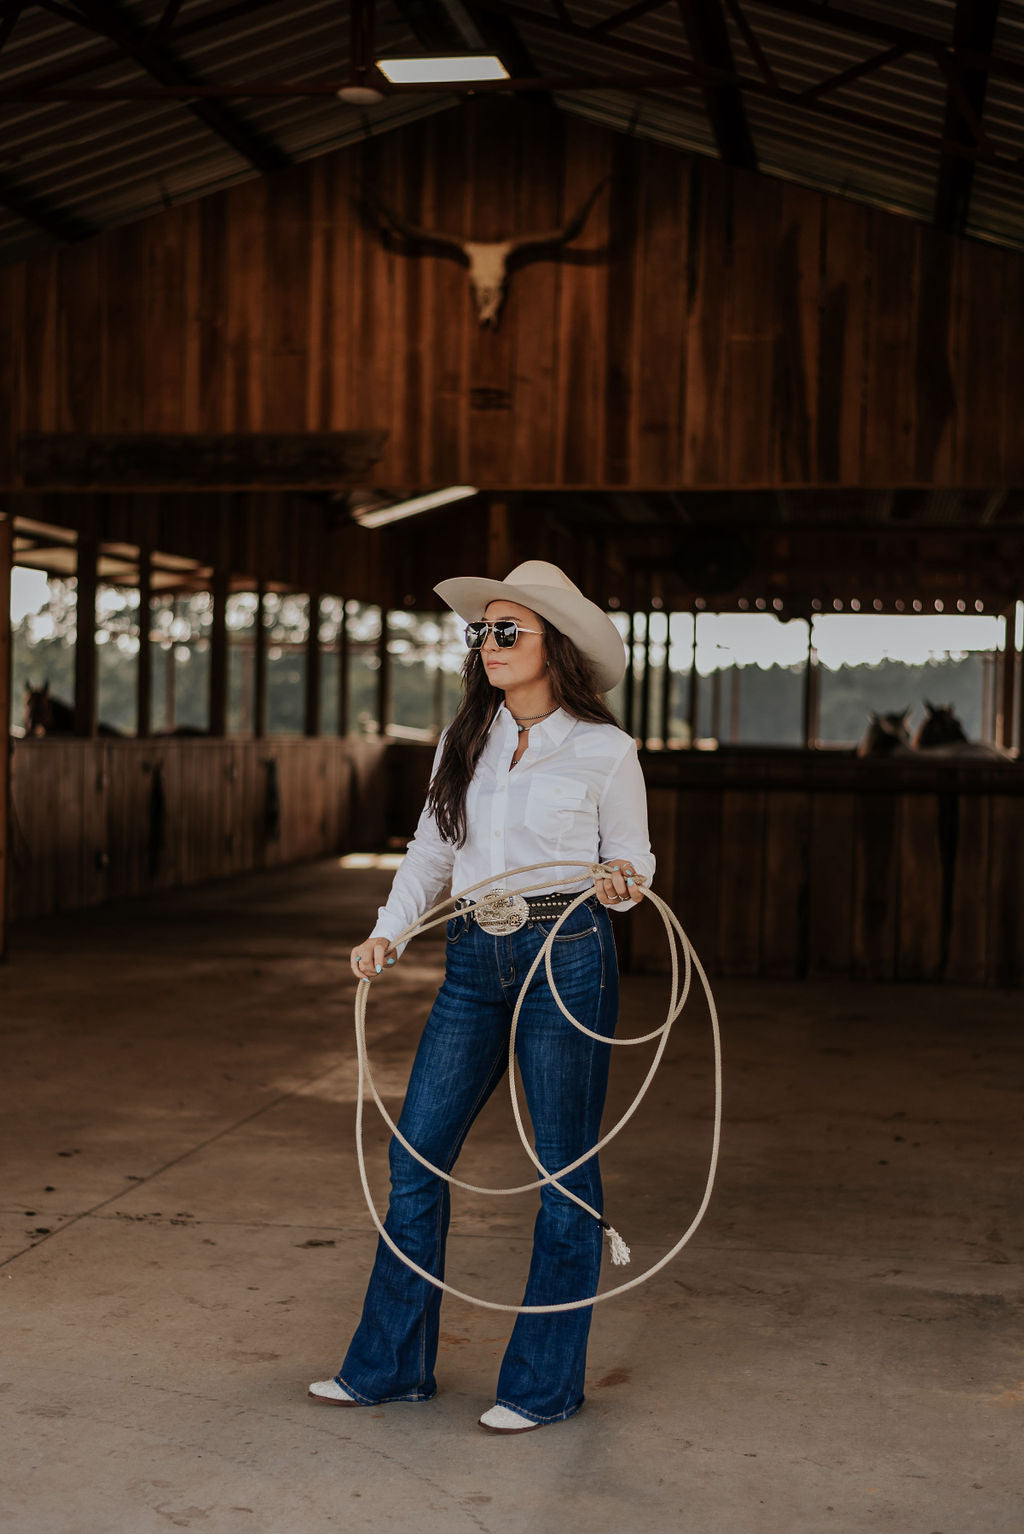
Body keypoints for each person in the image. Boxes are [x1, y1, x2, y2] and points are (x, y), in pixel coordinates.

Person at [309, 560, 655, 1434]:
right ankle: (389, 1369)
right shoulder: (464, 740)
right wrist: (389, 930)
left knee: (563, 1172)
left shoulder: (606, 750)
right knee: (415, 1156)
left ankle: (541, 1387)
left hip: (565, 952)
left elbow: (634, 859)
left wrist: (622, 881)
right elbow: (432, 849)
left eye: (507, 630)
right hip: (471, 952)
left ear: (554, 646)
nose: (488, 644)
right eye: (481, 632)